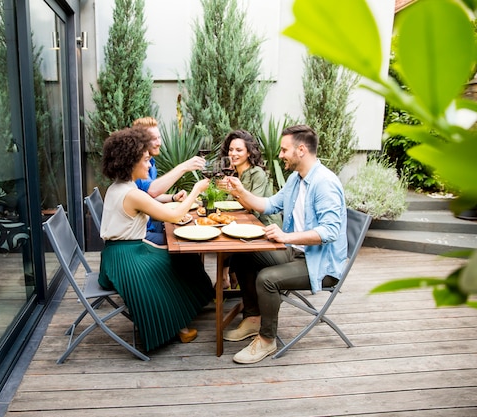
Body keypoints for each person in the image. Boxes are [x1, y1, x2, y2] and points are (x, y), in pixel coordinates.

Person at [222, 125, 347, 364]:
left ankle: (267, 340)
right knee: (243, 254)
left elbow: (330, 231)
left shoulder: (324, 183)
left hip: (319, 263)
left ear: (301, 150)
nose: (280, 155)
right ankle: (253, 318)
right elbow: (268, 205)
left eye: (284, 150)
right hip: (296, 253)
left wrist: (286, 237)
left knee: (267, 278)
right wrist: (240, 192)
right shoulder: (295, 179)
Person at [98, 126, 214, 352]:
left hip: (121, 253)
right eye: (145, 160)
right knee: (174, 264)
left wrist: (146, 244)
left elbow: (125, 232)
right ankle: (175, 325)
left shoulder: (121, 187)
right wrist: (196, 191)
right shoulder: (132, 195)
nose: (149, 165)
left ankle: (183, 316)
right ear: (130, 162)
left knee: (183, 258)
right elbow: (174, 215)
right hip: (125, 262)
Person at [217, 129, 283, 289]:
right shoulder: (234, 173)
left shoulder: (257, 173)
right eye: (231, 149)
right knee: (222, 234)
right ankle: (227, 277)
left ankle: (228, 278)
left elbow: (253, 209)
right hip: (246, 224)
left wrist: (233, 191)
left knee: (227, 239)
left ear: (249, 153)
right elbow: (230, 205)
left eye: (239, 150)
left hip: (264, 227)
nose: (233, 153)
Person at [132, 117, 205, 245]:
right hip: (140, 236)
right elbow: (152, 190)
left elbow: (147, 195)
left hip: (148, 227)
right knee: (187, 243)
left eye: (159, 137)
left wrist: (173, 198)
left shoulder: (151, 162)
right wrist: (184, 167)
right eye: (153, 139)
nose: (159, 143)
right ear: (140, 142)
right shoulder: (136, 166)